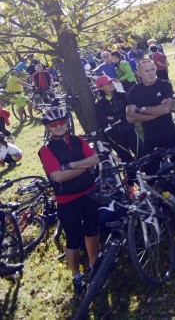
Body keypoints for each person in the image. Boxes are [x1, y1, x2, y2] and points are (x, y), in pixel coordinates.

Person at [38, 108, 100, 294]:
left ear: (67, 122)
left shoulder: (78, 140)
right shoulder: (46, 150)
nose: (58, 126)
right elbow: (58, 176)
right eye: (53, 124)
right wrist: (85, 167)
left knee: (92, 230)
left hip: (89, 193)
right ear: (48, 128)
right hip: (67, 199)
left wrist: (71, 166)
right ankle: (76, 275)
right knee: (73, 238)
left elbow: (96, 159)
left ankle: (94, 265)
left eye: (61, 122)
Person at [126, 59, 175, 170]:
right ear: (139, 74)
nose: (151, 73)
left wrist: (141, 109)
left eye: (152, 69)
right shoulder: (134, 91)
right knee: (151, 171)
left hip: (169, 133)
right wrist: (157, 112)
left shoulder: (165, 85)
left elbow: (166, 109)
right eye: (146, 71)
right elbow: (130, 117)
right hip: (150, 136)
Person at [94, 75, 143, 166]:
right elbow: (104, 122)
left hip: (130, 130)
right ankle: (131, 179)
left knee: (143, 154)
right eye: (107, 83)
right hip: (115, 136)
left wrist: (114, 117)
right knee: (126, 161)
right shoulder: (100, 104)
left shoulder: (123, 95)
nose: (110, 84)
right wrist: (122, 116)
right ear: (100, 87)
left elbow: (132, 112)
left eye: (111, 82)